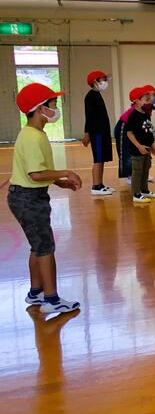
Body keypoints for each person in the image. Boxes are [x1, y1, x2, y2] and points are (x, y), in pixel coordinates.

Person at [8, 83, 82, 314]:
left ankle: (36, 292)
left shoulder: (33, 133)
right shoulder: (33, 137)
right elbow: (35, 174)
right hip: (29, 199)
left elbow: (38, 171)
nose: (56, 108)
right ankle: (51, 299)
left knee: (38, 246)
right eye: (53, 103)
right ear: (41, 108)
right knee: (45, 247)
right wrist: (66, 173)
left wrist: (60, 182)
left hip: (26, 196)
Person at [82, 69, 115, 196]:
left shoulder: (97, 95)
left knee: (102, 159)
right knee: (98, 159)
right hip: (97, 133)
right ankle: (95, 186)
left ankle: (100, 184)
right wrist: (87, 134)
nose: (105, 82)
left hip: (103, 132)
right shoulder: (90, 97)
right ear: (95, 81)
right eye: (103, 79)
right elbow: (89, 117)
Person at [126, 87, 155, 204]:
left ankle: (144, 190)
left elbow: (149, 132)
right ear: (136, 101)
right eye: (146, 99)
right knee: (137, 171)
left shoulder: (146, 114)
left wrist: (153, 146)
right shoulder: (132, 115)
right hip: (137, 150)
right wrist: (139, 146)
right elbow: (129, 133)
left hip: (147, 149)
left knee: (146, 170)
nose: (149, 102)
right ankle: (136, 194)